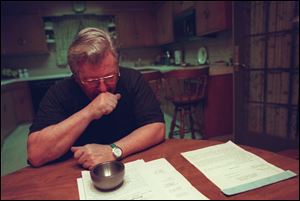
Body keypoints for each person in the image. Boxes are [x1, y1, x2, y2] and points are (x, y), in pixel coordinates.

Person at [27, 28, 165, 170]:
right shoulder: (59, 92)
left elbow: (157, 128)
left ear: (117, 66)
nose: (103, 88)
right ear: (76, 76)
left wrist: (113, 150)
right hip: (75, 173)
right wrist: (89, 112)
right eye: (91, 81)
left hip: (132, 164)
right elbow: (36, 154)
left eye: (110, 77)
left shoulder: (132, 79)